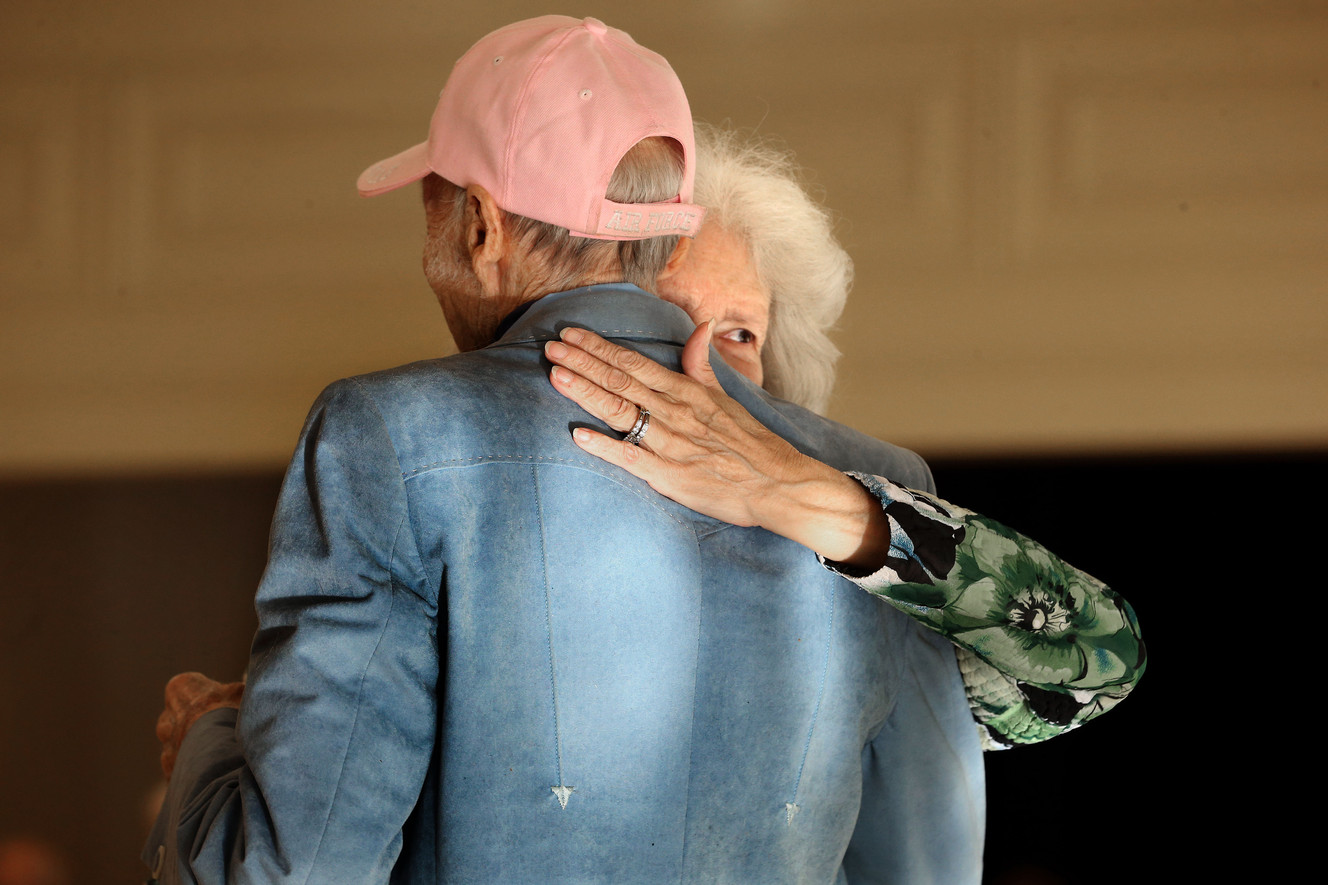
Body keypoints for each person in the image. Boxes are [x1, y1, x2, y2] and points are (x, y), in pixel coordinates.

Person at [147, 16, 984, 884]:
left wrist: (208, 744)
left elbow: (299, 869)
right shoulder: (884, 496)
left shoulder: (387, 435)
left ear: (480, 227)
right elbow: (932, 869)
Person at [546, 124, 1145, 750]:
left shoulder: (848, 569)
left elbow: (1099, 662)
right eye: (661, 315)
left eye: (741, 334)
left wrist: (786, 493)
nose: (706, 359)